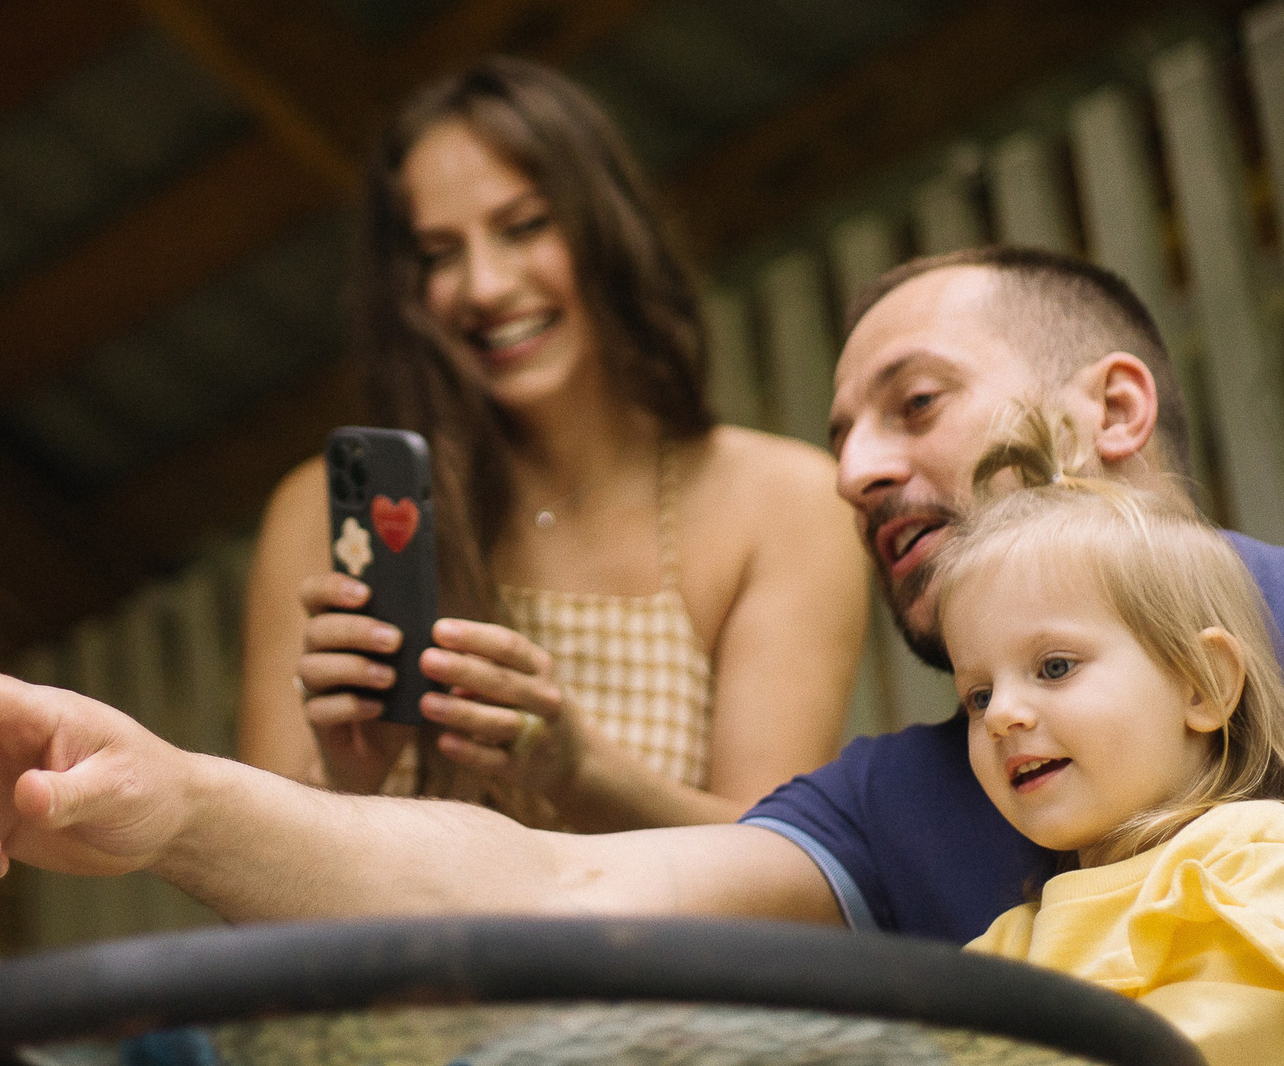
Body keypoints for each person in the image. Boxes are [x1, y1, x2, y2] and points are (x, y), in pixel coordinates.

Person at [0, 246, 1284, 1066]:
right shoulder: (912, 798)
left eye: (913, 403)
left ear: (1110, 403)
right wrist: (170, 796)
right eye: (841, 441)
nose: (859, 470)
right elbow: (548, 875)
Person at [239, 59, 868, 828]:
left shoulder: (783, 502)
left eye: (524, 226)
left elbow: (779, 878)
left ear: (606, 227)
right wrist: (343, 778)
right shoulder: (327, 515)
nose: (485, 286)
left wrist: (577, 769)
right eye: (439, 254)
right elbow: (256, 908)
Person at [941, 408, 1284, 1066]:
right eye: (977, 695)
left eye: (1054, 666)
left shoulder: (1248, 866)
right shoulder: (1013, 940)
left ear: (1202, 684)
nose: (1002, 712)